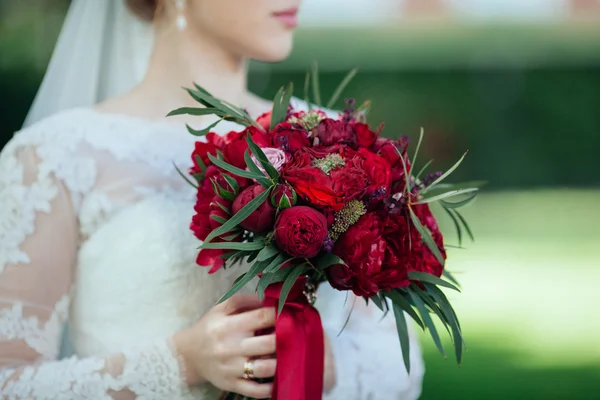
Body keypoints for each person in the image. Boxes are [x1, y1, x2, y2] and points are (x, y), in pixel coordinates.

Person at [0, 0, 425, 398]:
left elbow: (399, 364)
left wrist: (323, 364)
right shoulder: (55, 157)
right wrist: (181, 362)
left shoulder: (332, 141)